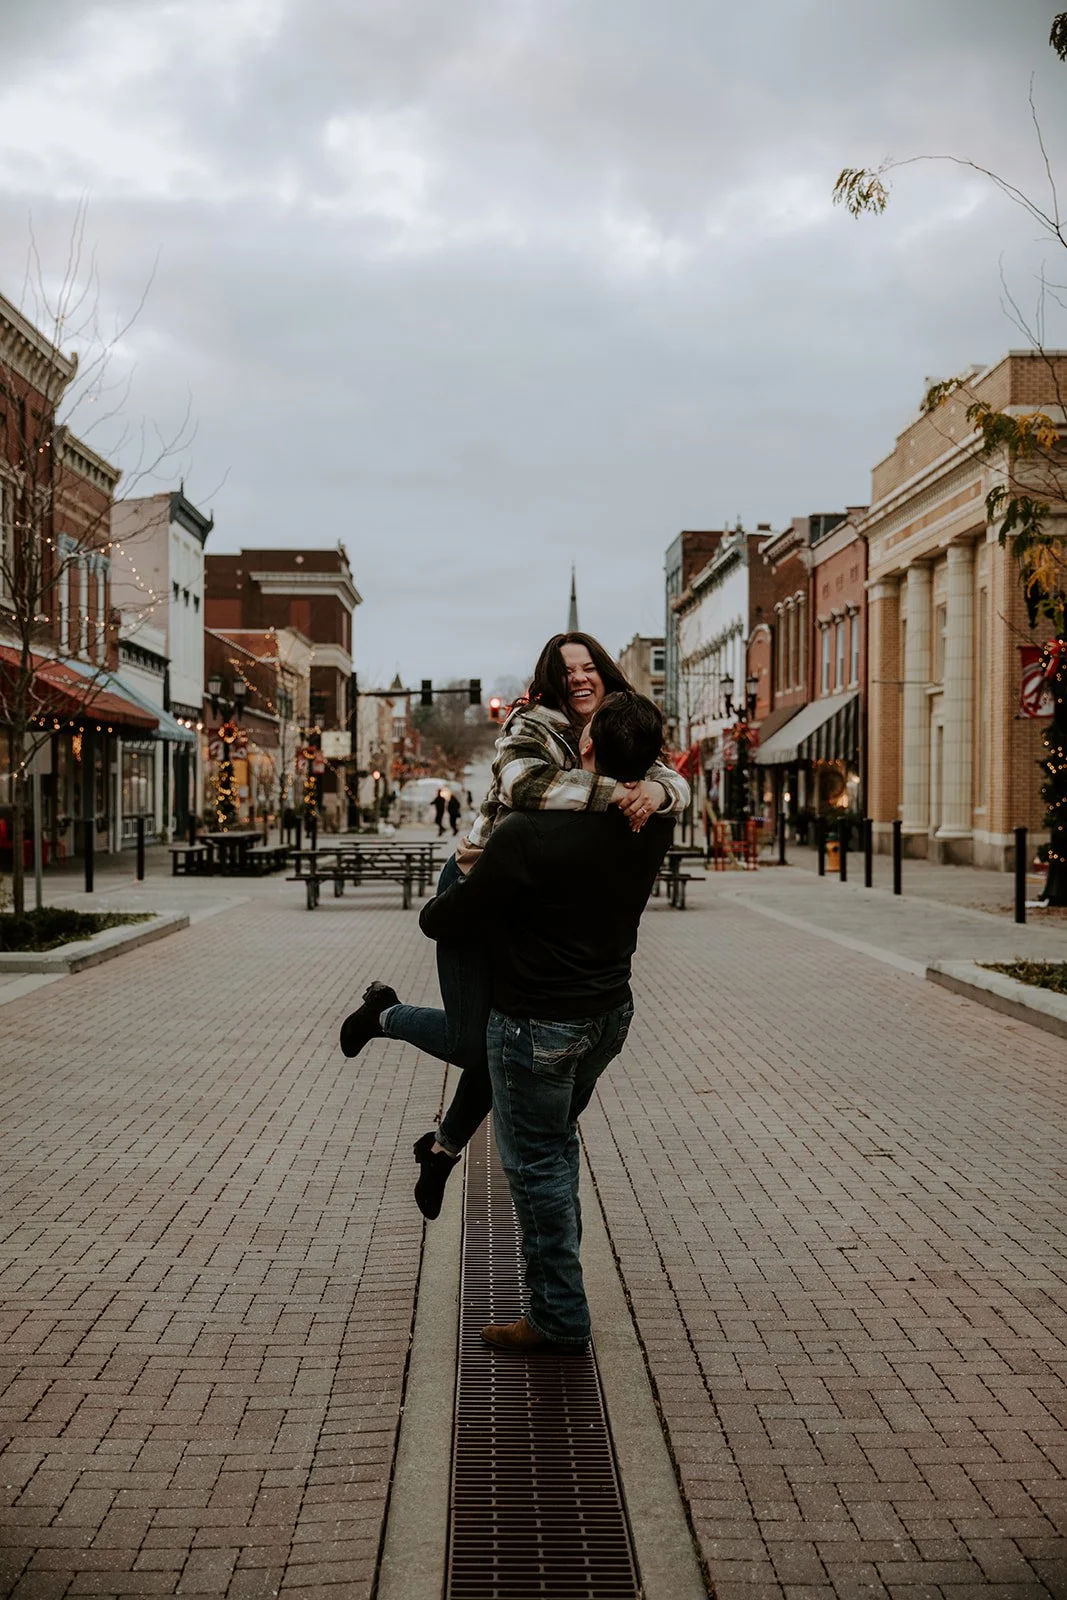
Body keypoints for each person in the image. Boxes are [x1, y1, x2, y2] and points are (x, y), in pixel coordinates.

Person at [339, 632, 690, 1219]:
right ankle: (384, 1013)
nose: (579, 677)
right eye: (566, 669)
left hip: (533, 900)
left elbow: (677, 782)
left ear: (604, 673)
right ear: (551, 679)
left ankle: (443, 1151)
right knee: (471, 1040)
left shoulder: (617, 731)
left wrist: (657, 787)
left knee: (505, 1032)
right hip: (478, 882)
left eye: (589, 667)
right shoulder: (532, 725)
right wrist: (627, 793)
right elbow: (522, 786)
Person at [420, 691, 672, 1350]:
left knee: (536, 1170)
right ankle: (560, 1302)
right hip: (606, 1016)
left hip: (537, 1023)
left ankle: (558, 1317)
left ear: (585, 751)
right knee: (554, 1152)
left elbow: (442, 919)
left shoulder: (527, 834)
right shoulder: (651, 822)